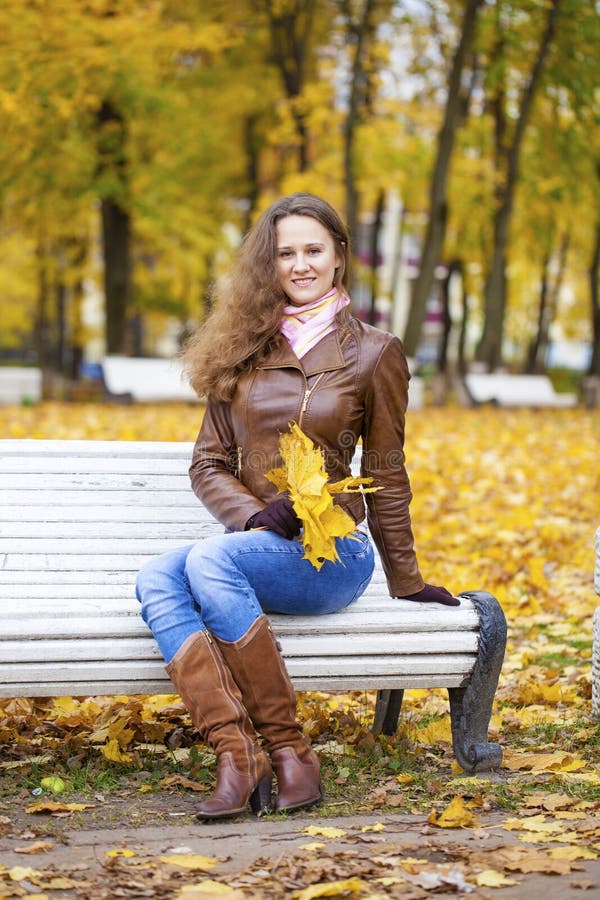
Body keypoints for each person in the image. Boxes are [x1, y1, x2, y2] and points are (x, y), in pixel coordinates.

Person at [136, 192, 458, 821]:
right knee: (159, 577)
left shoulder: (374, 352)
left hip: (333, 553)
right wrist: (253, 516)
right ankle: (238, 753)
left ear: (339, 256)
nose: (300, 264)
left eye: (314, 249)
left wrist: (408, 579)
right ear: (270, 263)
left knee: (207, 563)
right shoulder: (244, 348)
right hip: (255, 545)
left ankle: (288, 750)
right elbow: (207, 462)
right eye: (286, 253)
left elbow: (386, 471)